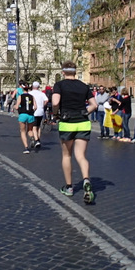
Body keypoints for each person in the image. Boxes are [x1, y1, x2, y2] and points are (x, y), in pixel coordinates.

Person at [51, 61, 98, 204]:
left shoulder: (59, 85)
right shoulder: (84, 86)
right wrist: (84, 112)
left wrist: (55, 114)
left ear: (63, 72)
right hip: (83, 122)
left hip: (67, 123)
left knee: (67, 155)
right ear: (75, 71)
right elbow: (94, 105)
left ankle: (69, 187)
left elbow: (55, 102)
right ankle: (86, 180)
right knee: (81, 156)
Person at [16, 82, 37, 154]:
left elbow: (17, 106)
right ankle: (32, 138)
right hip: (30, 114)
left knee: (22, 131)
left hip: (23, 114)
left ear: (22, 88)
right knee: (30, 130)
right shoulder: (32, 96)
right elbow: (35, 107)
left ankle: (26, 147)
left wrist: (16, 108)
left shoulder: (20, 96)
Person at [29, 81, 49, 149]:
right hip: (41, 111)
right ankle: (38, 138)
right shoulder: (41, 93)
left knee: (33, 127)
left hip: (33, 111)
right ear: (38, 87)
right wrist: (42, 105)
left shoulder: (30, 93)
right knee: (38, 126)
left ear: (32, 86)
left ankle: (36, 140)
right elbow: (46, 100)